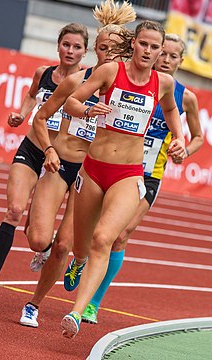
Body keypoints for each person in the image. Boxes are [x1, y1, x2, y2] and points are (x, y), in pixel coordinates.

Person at [61, 20, 186, 338]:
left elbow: (171, 111)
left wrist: (179, 138)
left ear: (160, 52)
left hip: (129, 173)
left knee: (104, 238)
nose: (148, 50)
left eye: (154, 47)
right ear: (134, 44)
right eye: (143, 44)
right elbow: (72, 102)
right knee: (82, 244)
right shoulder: (110, 72)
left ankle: (76, 313)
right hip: (93, 169)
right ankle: (79, 260)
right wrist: (89, 110)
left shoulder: (164, 82)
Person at [18, 0, 137, 328]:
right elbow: (41, 118)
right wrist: (49, 150)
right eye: (102, 49)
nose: (107, 56)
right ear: (94, 49)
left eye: (115, 51)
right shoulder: (75, 82)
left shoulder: (128, 92)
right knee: (41, 239)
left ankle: (34, 304)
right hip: (60, 165)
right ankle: (45, 244)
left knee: (64, 246)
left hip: (91, 175)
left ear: (123, 55)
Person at [81, 33, 204, 325]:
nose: (166, 60)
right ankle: (79, 261)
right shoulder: (136, 79)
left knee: (120, 235)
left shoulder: (184, 97)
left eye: (173, 56)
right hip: (116, 163)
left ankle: (92, 303)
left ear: (180, 61)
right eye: (164, 54)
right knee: (96, 231)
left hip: (149, 174)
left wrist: (183, 150)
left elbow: (197, 137)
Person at [0, 23, 89, 300]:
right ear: (58, 45)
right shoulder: (43, 73)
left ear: (84, 52)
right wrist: (21, 113)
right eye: (66, 44)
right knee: (15, 209)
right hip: (33, 149)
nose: (70, 50)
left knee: (37, 236)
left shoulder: (86, 83)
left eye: (77, 47)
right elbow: (32, 95)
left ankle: (45, 248)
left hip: (60, 157)